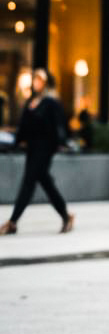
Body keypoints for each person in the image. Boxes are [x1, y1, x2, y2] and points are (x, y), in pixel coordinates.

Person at [1, 68, 74, 235]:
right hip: (32, 148)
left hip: (45, 148)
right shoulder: (30, 102)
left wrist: (61, 143)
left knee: (28, 183)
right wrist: (16, 142)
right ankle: (66, 215)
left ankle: (13, 221)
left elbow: (59, 126)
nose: (36, 83)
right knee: (46, 183)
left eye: (40, 80)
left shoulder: (51, 102)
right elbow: (23, 127)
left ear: (46, 82)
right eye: (35, 79)